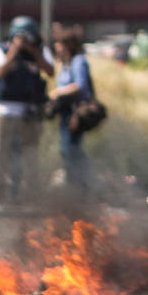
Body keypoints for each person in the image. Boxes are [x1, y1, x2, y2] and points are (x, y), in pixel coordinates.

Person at [0, 16, 53, 206]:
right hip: (6, 110)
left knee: (31, 156)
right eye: (20, 36)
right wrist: (14, 52)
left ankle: (31, 198)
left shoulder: (40, 50)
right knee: (0, 155)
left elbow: (49, 71)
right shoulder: (3, 49)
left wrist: (34, 52)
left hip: (30, 110)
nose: (24, 40)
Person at [49, 23, 95, 193]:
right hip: (65, 114)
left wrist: (57, 92)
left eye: (59, 44)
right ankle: (77, 183)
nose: (56, 48)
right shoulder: (66, 64)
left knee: (70, 150)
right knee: (67, 150)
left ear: (67, 45)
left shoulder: (78, 62)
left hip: (75, 114)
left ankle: (83, 185)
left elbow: (80, 86)